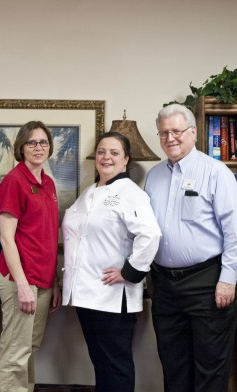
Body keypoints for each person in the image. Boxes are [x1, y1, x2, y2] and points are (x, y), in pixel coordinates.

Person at [145, 103, 237, 392]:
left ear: (193, 132)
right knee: (173, 363)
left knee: (210, 365)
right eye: (163, 133)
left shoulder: (216, 172)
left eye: (176, 131)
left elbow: (235, 231)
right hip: (165, 285)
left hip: (207, 281)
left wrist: (227, 280)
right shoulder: (154, 176)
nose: (170, 138)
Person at [62, 131, 161, 392]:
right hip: (85, 294)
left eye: (114, 152)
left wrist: (129, 272)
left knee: (115, 365)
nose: (107, 157)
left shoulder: (131, 193)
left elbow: (150, 234)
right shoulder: (90, 192)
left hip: (112, 296)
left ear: (126, 159)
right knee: (100, 363)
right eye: (102, 151)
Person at [0, 120, 61, 392]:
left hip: (42, 280)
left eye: (43, 142)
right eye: (31, 142)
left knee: (28, 349)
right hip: (18, 278)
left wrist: (53, 280)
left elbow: (47, 237)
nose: (38, 147)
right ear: (21, 147)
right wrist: (22, 285)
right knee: (15, 352)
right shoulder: (13, 181)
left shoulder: (48, 184)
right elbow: (6, 238)